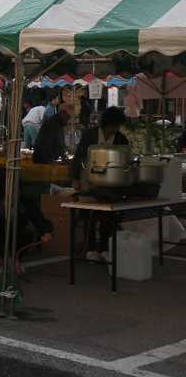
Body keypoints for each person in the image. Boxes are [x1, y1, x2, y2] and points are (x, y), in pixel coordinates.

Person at [72, 106, 129, 261]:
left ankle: (104, 247)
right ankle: (90, 248)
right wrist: (75, 178)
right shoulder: (90, 135)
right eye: (114, 126)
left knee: (107, 216)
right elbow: (79, 157)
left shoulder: (121, 139)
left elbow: (125, 161)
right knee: (88, 215)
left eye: (118, 126)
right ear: (106, 124)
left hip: (110, 182)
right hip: (88, 179)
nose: (115, 129)